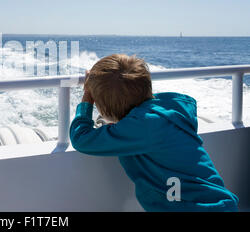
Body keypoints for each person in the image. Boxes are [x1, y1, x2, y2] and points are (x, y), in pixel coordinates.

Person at [70, 54, 239, 211]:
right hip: (218, 203)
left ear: (105, 106)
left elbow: (81, 138)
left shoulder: (142, 128)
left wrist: (87, 97)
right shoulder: (166, 113)